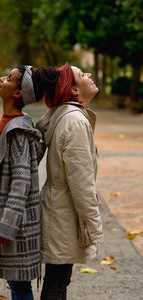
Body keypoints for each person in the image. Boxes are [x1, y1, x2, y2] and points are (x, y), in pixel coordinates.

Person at [0, 65, 58, 300]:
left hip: (14, 224)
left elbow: (21, 180)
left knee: (19, 287)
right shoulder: (15, 122)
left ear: (18, 93)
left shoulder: (18, 129)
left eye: (9, 79)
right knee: (16, 285)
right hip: (8, 220)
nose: (1, 79)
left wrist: (7, 224)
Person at [36, 62, 103, 300]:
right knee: (57, 284)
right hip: (64, 214)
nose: (89, 74)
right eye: (81, 74)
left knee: (57, 280)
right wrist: (94, 228)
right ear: (73, 90)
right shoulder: (75, 121)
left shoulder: (65, 116)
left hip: (58, 209)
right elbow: (82, 183)